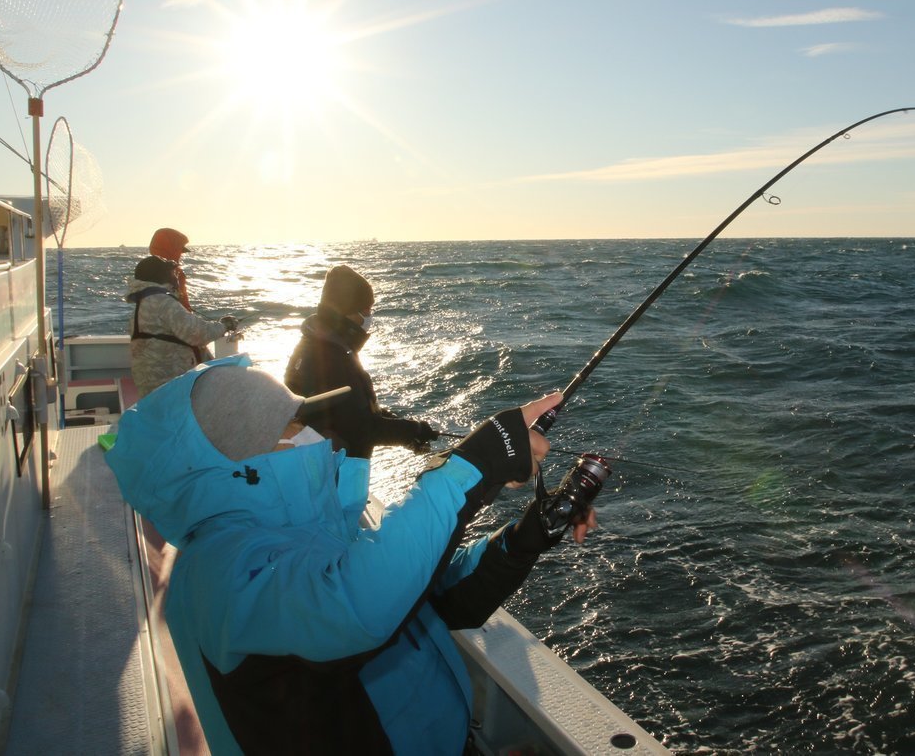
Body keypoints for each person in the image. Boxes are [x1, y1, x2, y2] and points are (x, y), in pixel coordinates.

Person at [104, 355, 596, 754]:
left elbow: (433, 602)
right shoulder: (213, 573)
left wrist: (523, 539)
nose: (314, 436)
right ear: (245, 460)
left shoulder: (311, 529)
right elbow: (355, 611)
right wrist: (473, 466)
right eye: (295, 424)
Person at [285, 265, 438, 457]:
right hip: (334, 470)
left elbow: (355, 409)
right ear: (345, 311)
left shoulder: (324, 346)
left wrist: (406, 430)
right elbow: (360, 428)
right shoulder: (328, 357)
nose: (369, 316)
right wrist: (413, 431)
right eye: (364, 310)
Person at [127, 255, 238, 398]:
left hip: (153, 385)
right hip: (169, 385)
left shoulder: (144, 302)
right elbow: (196, 333)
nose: (175, 277)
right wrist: (225, 326)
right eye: (172, 273)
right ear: (160, 276)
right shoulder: (162, 301)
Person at [149, 227, 192, 310]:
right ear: (172, 249)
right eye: (180, 251)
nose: (181, 255)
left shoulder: (147, 268)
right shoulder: (168, 272)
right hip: (173, 319)